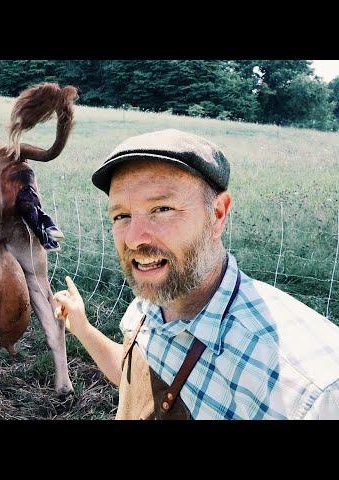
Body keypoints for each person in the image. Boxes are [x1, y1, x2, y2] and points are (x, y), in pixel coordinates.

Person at [53, 129, 339, 419]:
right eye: (121, 216)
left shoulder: (309, 392)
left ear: (217, 214)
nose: (133, 239)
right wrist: (83, 327)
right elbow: (132, 376)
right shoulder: (154, 297)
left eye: (162, 209)